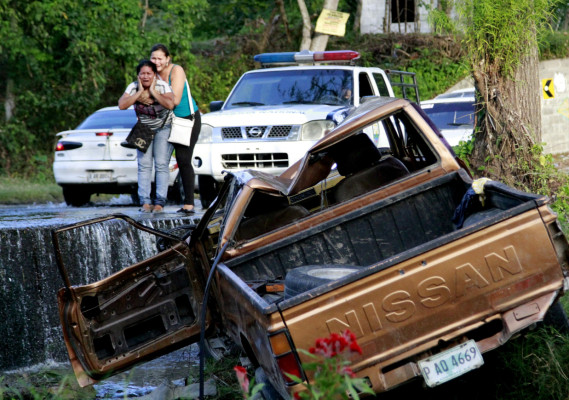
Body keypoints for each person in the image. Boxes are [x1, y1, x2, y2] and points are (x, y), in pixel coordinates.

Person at [150, 43, 202, 214]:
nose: (156, 61)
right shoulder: (151, 73)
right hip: (165, 121)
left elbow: (176, 100)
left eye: (159, 58)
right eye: (153, 58)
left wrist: (153, 92)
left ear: (167, 59)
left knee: (183, 158)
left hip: (186, 119)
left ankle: (189, 203)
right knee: (160, 160)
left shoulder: (176, 71)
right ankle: (158, 202)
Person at [118, 59, 175, 213]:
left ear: (154, 75)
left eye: (149, 73)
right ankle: (145, 202)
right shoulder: (133, 86)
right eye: (142, 73)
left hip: (164, 128)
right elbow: (122, 105)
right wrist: (138, 94)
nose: (145, 76)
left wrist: (153, 93)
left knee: (162, 164)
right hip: (143, 128)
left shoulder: (162, 86)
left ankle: (159, 202)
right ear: (138, 76)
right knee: (144, 165)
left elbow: (170, 105)